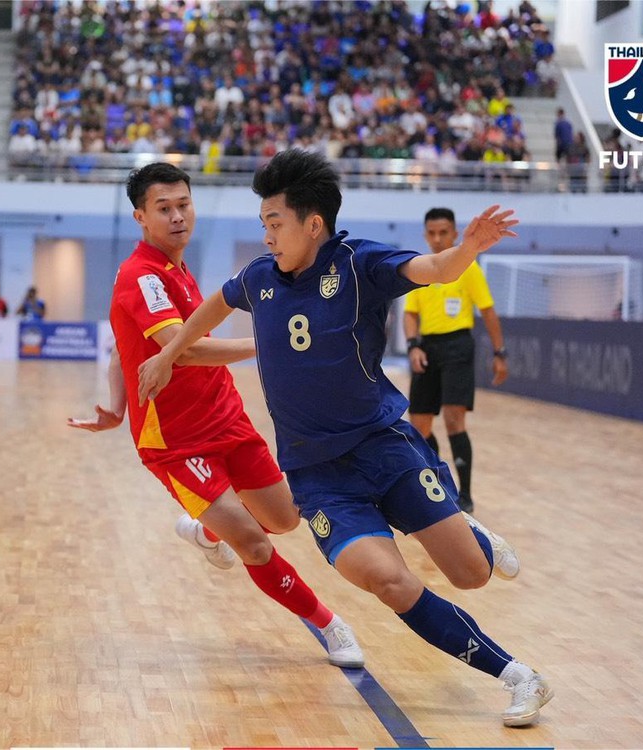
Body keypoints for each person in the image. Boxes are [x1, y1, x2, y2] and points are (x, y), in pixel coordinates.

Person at [138, 150, 552, 728]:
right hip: (318, 478)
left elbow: (432, 270)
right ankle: (518, 676)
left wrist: (466, 250)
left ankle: (473, 532)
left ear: (313, 224)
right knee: (386, 579)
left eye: (275, 223)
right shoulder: (260, 277)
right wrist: (169, 353)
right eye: (263, 224)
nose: (267, 236)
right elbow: (211, 309)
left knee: (471, 574)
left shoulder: (360, 264)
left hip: (384, 447)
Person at [68, 162, 363, 668]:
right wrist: (268, 345)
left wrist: (115, 406)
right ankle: (328, 625)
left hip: (226, 417)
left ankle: (206, 531)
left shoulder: (176, 269)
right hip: (176, 442)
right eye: (164, 209)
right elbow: (180, 351)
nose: (178, 216)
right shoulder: (142, 276)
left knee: (285, 518)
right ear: (141, 216)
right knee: (252, 543)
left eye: (184, 204)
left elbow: (124, 347)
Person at [402, 208, 509, 514]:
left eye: (443, 232)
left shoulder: (469, 268)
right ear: (426, 235)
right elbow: (411, 314)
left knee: (453, 420)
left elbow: (487, 311)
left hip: (458, 346)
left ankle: (465, 494)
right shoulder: (420, 269)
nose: (437, 239)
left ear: (454, 233)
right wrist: (413, 346)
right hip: (427, 348)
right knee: (419, 425)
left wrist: (500, 353)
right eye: (432, 233)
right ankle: (439, 484)